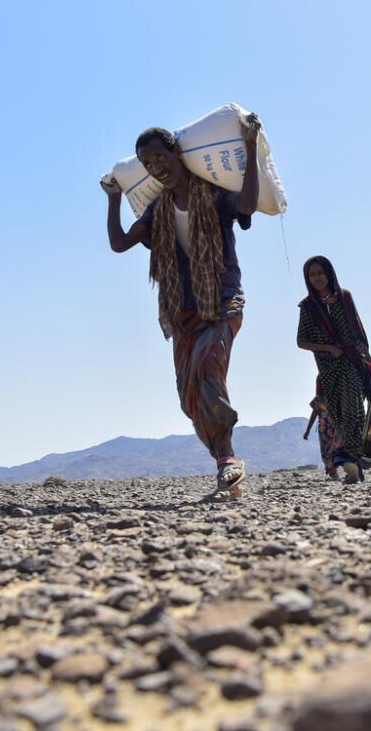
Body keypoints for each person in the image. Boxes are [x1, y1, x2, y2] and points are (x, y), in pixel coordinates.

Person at [102, 112, 262, 501]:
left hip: (223, 300)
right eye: (147, 164)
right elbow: (120, 243)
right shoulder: (157, 210)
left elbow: (248, 203)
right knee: (188, 393)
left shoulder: (212, 193)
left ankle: (227, 460)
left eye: (160, 158)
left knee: (208, 367)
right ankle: (226, 463)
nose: (156, 168)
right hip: (183, 309)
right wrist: (114, 200)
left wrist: (251, 146)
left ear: (176, 152)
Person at [296, 256, 371, 484]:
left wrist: (369, 363)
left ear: (329, 273)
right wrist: (327, 348)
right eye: (311, 275)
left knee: (354, 408)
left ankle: (351, 461)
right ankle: (352, 464)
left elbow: (358, 330)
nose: (316, 278)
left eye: (320, 273)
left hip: (353, 362)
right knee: (338, 415)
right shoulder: (307, 307)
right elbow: (301, 341)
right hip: (328, 368)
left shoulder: (345, 297)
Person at [303, 377, 339, 479]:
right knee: (329, 450)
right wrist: (308, 430)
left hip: (329, 429)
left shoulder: (330, 398)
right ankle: (333, 472)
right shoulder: (331, 398)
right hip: (328, 429)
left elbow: (314, 414)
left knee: (330, 450)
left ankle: (333, 472)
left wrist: (308, 431)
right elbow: (314, 414)